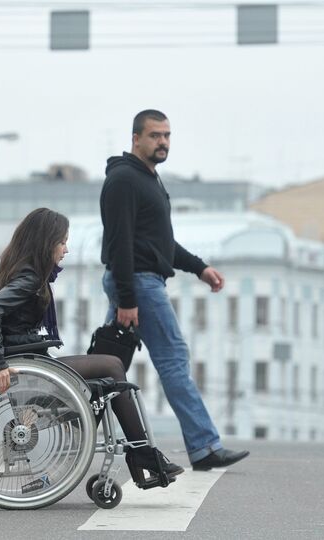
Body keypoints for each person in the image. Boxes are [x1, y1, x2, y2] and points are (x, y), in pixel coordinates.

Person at [0, 207, 183, 480]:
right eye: (62, 242)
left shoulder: (21, 272)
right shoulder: (28, 278)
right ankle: (142, 453)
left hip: (31, 360)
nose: (66, 249)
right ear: (45, 242)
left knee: (110, 372)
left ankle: (137, 453)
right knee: (112, 366)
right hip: (27, 367)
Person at [100, 109, 249, 471]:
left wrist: (200, 268)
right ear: (136, 138)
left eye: (167, 135)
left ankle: (71, 428)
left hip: (140, 280)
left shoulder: (150, 179)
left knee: (106, 368)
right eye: (155, 135)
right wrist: (127, 298)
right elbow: (121, 243)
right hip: (136, 282)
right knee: (173, 360)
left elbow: (161, 244)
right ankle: (204, 446)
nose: (163, 142)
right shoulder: (124, 180)